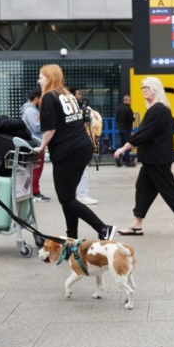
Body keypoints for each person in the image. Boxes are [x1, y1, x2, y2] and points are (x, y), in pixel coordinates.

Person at [112, 77, 174, 237]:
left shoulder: (158, 109)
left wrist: (124, 147)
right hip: (152, 158)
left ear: (156, 89)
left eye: (146, 87)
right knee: (143, 189)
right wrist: (161, 137)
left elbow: (145, 133)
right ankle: (137, 225)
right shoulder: (160, 109)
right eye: (142, 88)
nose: (143, 90)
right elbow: (173, 127)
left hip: (157, 159)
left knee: (170, 190)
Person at [37, 65, 115, 241]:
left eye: (41, 77)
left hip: (67, 152)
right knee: (69, 197)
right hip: (82, 148)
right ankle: (72, 238)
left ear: (49, 78)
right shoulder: (68, 95)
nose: (39, 80)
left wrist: (41, 147)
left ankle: (103, 228)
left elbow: (50, 128)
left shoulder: (49, 96)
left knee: (66, 199)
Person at [20, 88, 50, 202]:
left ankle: (35, 191)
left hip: (35, 143)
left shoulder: (31, 110)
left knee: (35, 169)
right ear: (37, 99)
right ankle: (34, 192)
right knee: (35, 169)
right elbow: (36, 127)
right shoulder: (31, 111)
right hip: (35, 144)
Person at [70, 87, 98, 205]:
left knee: (78, 170)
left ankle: (78, 194)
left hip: (77, 143)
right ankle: (82, 195)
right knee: (82, 170)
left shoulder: (81, 109)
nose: (80, 96)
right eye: (78, 94)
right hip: (77, 143)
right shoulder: (75, 110)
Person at [115, 95, 136, 167]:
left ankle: (118, 161)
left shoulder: (118, 108)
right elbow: (131, 119)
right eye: (130, 100)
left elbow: (117, 118)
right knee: (127, 145)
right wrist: (134, 118)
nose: (131, 102)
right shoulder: (128, 109)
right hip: (127, 128)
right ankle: (127, 161)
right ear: (127, 100)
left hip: (120, 128)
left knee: (122, 144)